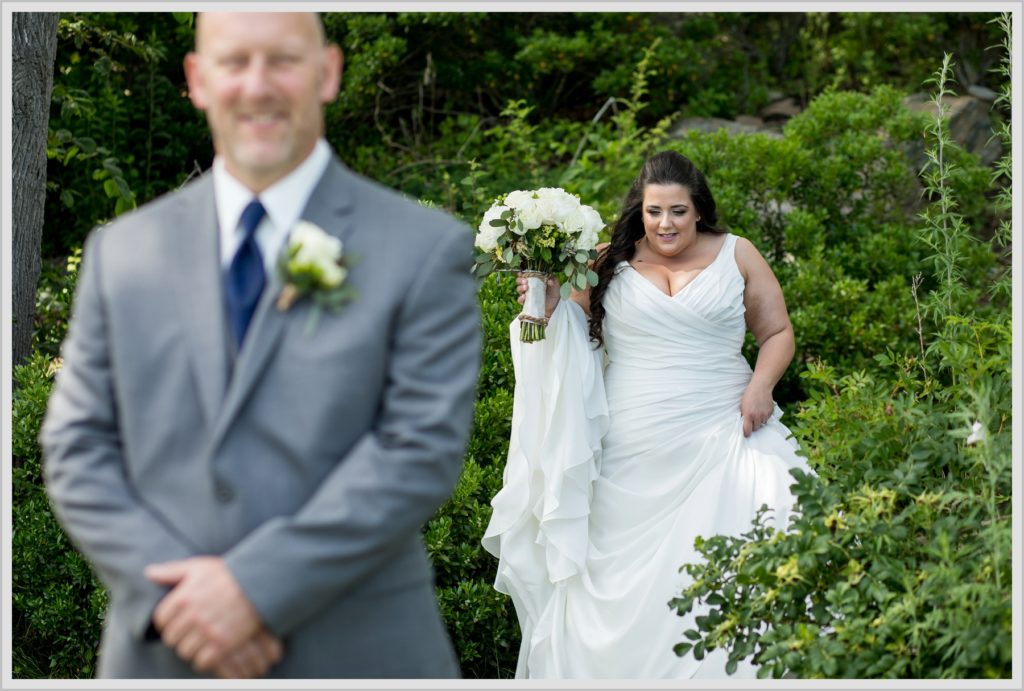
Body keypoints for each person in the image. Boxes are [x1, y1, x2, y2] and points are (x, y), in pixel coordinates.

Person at [40, 12, 480, 679]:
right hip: (163, 651)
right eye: (234, 61)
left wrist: (253, 588)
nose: (258, 85)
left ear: (327, 72)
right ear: (196, 79)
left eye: (283, 60)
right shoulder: (120, 252)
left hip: (359, 651)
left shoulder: (422, 248)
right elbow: (77, 446)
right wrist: (179, 602)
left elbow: (417, 449)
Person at [482, 150, 813, 678]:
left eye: (678, 211)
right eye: (655, 211)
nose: (666, 224)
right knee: (623, 593)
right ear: (641, 209)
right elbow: (567, 326)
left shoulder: (738, 254)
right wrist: (541, 300)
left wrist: (761, 385)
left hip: (729, 430)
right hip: (631, 446)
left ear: (698, 209)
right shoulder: (609, 259)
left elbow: (777, 333)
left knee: (773, 527)